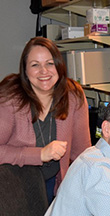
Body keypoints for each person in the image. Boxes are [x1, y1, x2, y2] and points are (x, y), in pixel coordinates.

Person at [0, 37, 91, 203]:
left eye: (50, 63)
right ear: (25, 71)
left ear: (59, 65)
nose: (44, 71)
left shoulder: (73, 96)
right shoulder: (9, 97)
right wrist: (39, 154)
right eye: (35, 65)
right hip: (13, 188)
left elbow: (82, 154)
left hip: (53, 186)